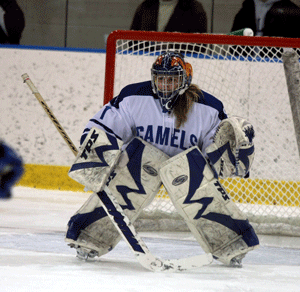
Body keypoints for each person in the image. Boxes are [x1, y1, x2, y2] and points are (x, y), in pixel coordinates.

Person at [65, 51, 259, 266]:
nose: (165, 84)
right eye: (160, 78)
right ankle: (88, 238)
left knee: (203, 196)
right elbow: (104, 126)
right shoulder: (133, 96)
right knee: (122, 189)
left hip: (185, 166)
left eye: (172, 79)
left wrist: (229, 155)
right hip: (141, 162)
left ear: (185, 78)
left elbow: (214, 147)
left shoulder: (208, 108)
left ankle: (231, 243)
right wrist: (95, 154)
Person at [130, 0, 207, 34]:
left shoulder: (195, 9)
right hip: (146, 62)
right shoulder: (145, 6)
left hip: (180, 63)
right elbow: (132, 41)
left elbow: (200, 46)